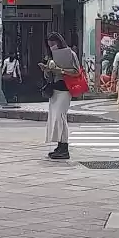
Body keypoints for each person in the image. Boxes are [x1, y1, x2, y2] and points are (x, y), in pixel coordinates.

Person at [40, 32, 80, 160]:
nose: (52, 47)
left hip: (65, 89)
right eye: (50, 45)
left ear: (59, 43)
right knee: (55, 118)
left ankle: (64, 148)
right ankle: (60, 145)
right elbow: (49, 75)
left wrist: (60, 70)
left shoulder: (70, 54)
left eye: (54, 44)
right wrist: (47, 69)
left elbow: (76, 72)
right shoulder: (51, 56)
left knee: (60, 117)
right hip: (55, 90)